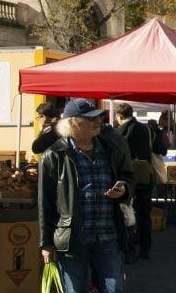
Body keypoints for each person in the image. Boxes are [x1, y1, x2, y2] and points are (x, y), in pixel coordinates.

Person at [38, 99, 133, 293]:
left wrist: (124, 189)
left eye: (97, 117)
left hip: (107, 234)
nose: (97, 121)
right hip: (72, 239)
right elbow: (44, 203)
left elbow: (128, 176)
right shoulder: (54, 155)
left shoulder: (109, 148)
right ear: (73, 123)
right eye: (89, 119)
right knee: (75, 290)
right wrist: (46, 243)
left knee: (115, 289)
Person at [114, 103, 157, 259]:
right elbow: (158, 148)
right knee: (144, 213)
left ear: (119, 116)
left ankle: (129, 247)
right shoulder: (145, 129)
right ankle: (145, 247)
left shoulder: (117, 133)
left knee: (125, 211)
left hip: (125, 177)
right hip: (144, 174)